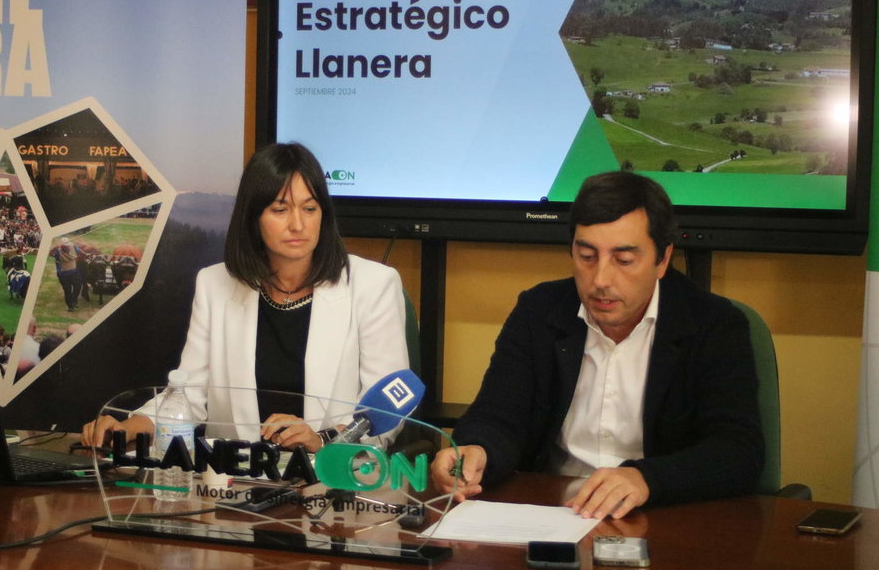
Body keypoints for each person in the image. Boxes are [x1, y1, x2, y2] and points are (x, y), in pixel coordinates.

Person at [430, 171, 763, 520]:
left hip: (659, 517)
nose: (601, 280)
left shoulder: (713, 324)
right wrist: (478, 450)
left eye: (623, 260)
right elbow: (497, 415)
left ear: (662, 259)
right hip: (551, 513)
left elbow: (738, 451)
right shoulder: (539, 311)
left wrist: (646, 478)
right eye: (587, 256)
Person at [82, 142, 409, 452]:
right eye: (280, 209)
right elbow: (190, 393)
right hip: (234, 479)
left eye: (310, 208)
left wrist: (322, 440)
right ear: (253, 218)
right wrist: (131, 426)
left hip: (332, 479)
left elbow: (388, 410)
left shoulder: (373, 285)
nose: (298, 224)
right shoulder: (214, 284)